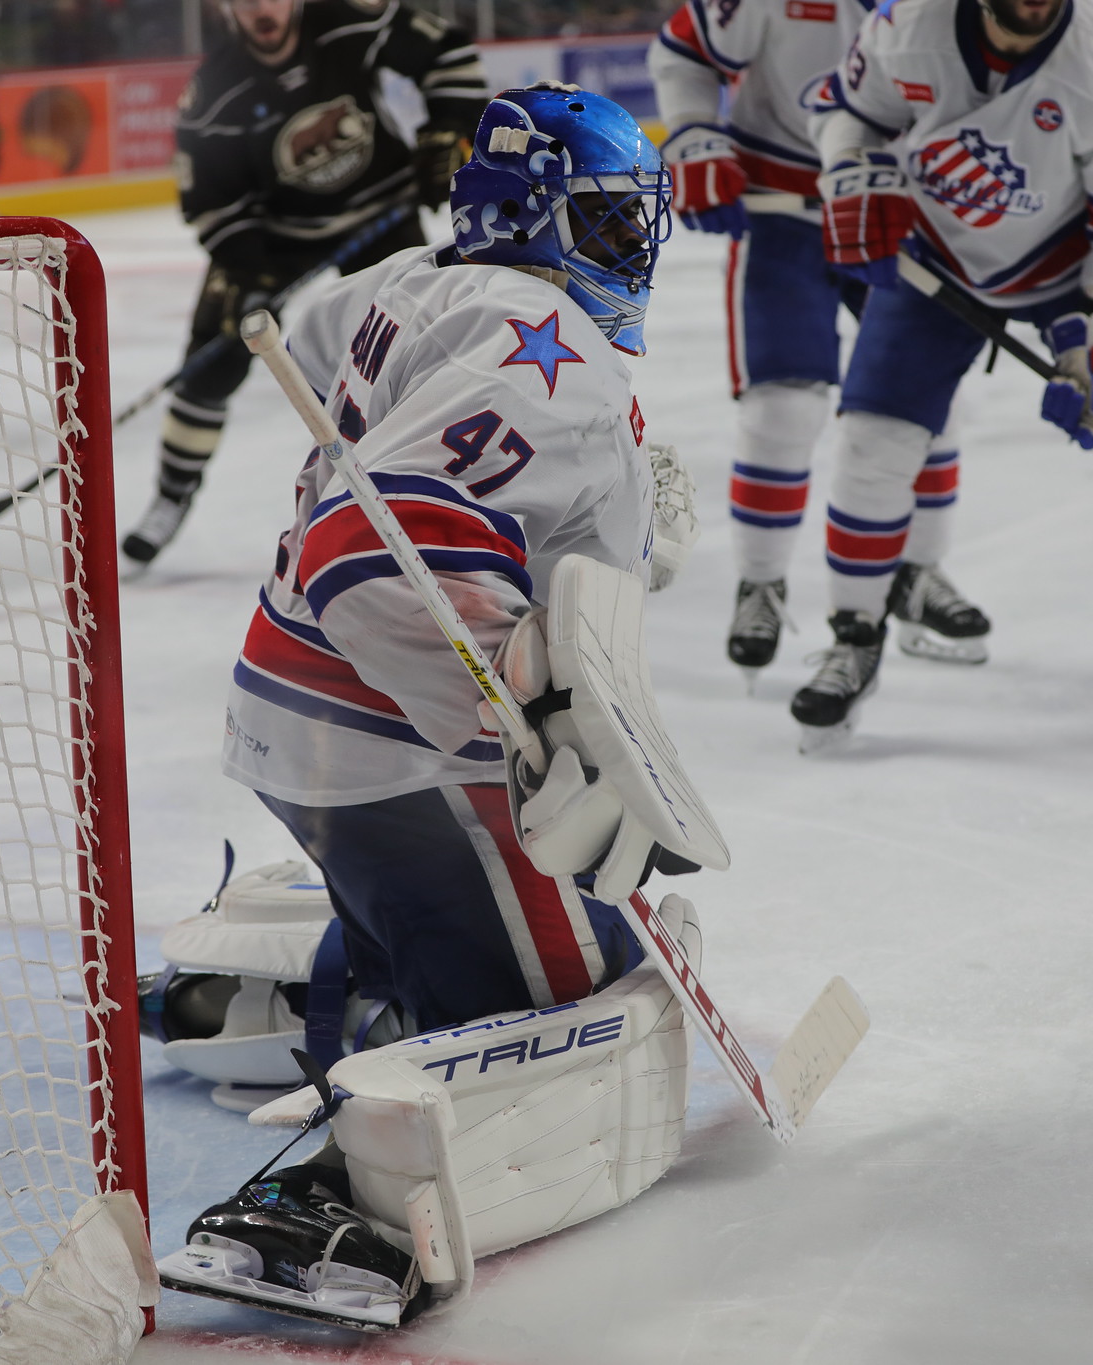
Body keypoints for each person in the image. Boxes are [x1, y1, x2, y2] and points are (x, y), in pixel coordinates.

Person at [154, 86, 714, 1332]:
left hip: (291, 708)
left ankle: (283, 1001)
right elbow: (373, 545)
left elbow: (321, 357)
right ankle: (329, 1200)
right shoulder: (549, 350)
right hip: (400, 741)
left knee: (429, 905)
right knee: (583, 1002)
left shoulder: (412, 275)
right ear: (536, 218)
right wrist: (516, 718)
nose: (633, 254)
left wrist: (611, 527)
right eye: (609, 226)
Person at [792, 0, 1093, 739]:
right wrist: (851, 170)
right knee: (872, 444)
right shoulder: (907, 27)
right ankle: (853, 636)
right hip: (936, 258)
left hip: (1074, 267)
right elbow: (846, 110)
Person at [647, 0, 992, 676]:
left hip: (897, 215)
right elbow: (684, 51)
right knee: (784, 407)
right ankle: (762, 583)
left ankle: (917, 572)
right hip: (785, 218)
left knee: (927, 407)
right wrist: (693, 131)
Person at [120, 0, 489, 567]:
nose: (261, 8)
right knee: (213, 358)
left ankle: (446, 487)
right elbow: (213, 202)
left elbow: (448, 54)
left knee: (421, 350)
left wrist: (450, 128)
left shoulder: (348, 20)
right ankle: (170, 498)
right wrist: (248, 269)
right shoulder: (212, 92)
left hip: (379, 216)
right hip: (276, 236)